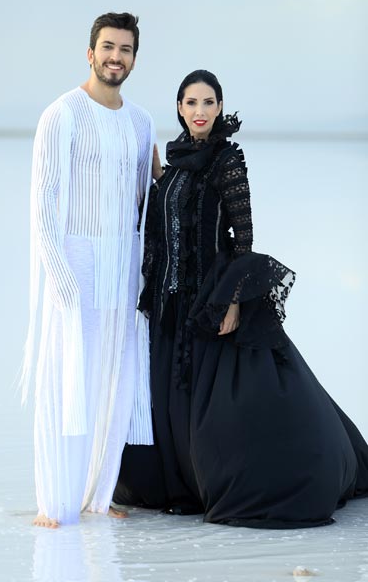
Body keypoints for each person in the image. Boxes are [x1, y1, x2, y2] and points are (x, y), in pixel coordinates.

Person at [114, 69, 368, 528]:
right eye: (191, 102)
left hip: (210, 300)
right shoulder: (174, 164)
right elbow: (168, 220)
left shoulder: (227, 159)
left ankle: (248, 478)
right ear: (179, 108)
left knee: (227, 412)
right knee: (174, 402)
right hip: (171, 304)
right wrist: (158, 179)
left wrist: (232, 299)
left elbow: (244, 238)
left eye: (208, 102)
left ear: (219, 107)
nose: (200, 111)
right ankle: (185, 483)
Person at [20, 12, 157, 528]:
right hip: (76, 262)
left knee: (116, 381)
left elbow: (145, 203)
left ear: (134, 59)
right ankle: (54, 502)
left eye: (125, 49)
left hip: (125, 265)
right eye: (108, 47)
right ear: (90, 52)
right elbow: (43, 204)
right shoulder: (62, 114)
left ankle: (99, 495)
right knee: (69, 379)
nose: (115, 57)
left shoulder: (141, 123)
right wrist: (61, 281)